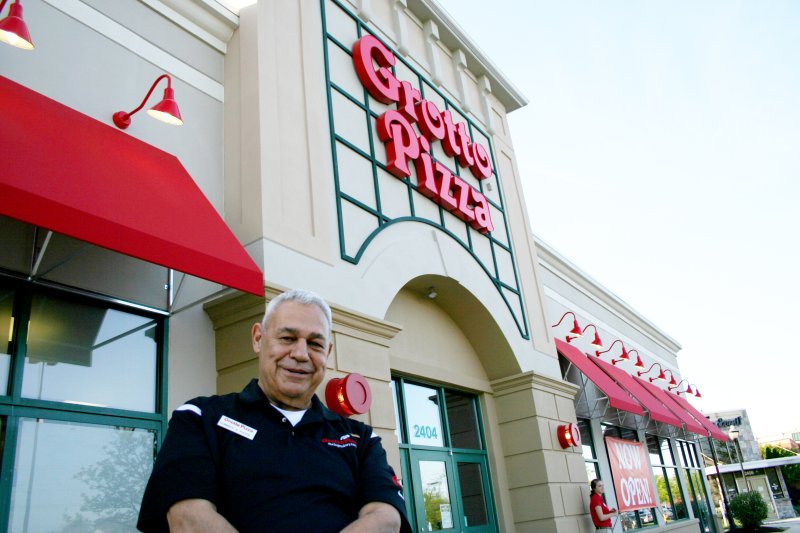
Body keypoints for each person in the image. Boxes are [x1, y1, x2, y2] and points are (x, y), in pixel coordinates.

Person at [137, 289, 411, 533]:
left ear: (327, 351)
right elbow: (187, 518)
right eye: (288, 338)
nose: (301, 353)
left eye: (315, 343)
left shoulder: (360, 438)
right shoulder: (200, 417)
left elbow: (386, 518)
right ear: (258, 339)